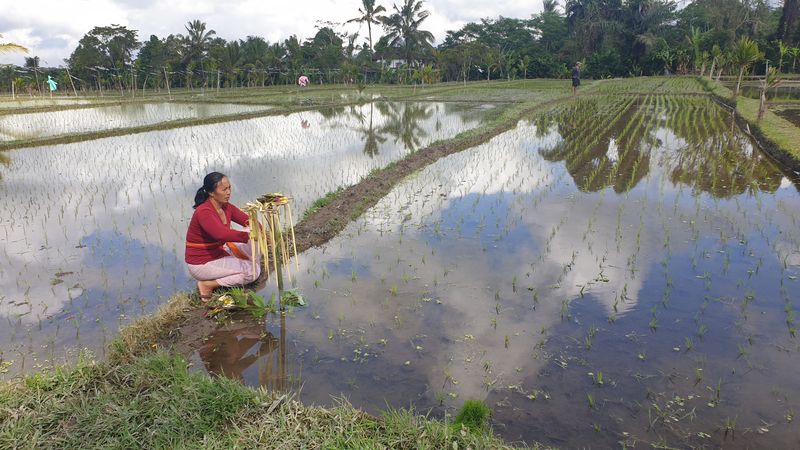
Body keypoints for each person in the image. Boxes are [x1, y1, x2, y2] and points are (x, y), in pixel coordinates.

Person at [185, 172, 260, 301]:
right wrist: (248, 236)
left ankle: (239, 266)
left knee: (251, 232)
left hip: (218, 253)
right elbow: (220, 234)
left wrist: (259, 230)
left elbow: (249, 222)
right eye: (224, 189)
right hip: (202, 263)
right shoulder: (203, 211)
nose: (228, 192)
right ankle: (208, 285)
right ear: (211, 193)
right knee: (253, 271)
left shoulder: (226, 207)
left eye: (229, 188)